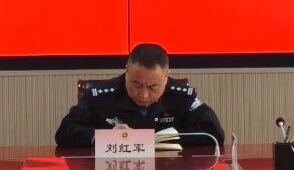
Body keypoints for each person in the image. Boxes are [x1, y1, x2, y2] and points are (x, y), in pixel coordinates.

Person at [54, 42, 224, 148]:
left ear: (166, 77)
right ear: (126, 71)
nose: (143, 94)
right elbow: (64, 132)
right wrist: (104, 136)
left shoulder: (181, 96)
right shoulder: (100, 96)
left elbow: (214, 133)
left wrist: (172, 136)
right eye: (136, 84)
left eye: (153, 87)